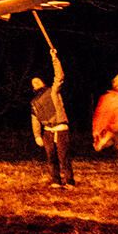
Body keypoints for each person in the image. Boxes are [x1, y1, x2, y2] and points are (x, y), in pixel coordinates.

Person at [29, 44, 74, 187]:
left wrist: (54, 58)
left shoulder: (53, 91)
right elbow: (35, 119)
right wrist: (37, 135)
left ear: (43, 82)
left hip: (60, 127)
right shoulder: (34, 102)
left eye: (37, 80)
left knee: (63, 156)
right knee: (51, 157)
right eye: (33, 82)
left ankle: (69, 181)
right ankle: (55, 180)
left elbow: (59, 76)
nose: (35, 82)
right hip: (47, 130)